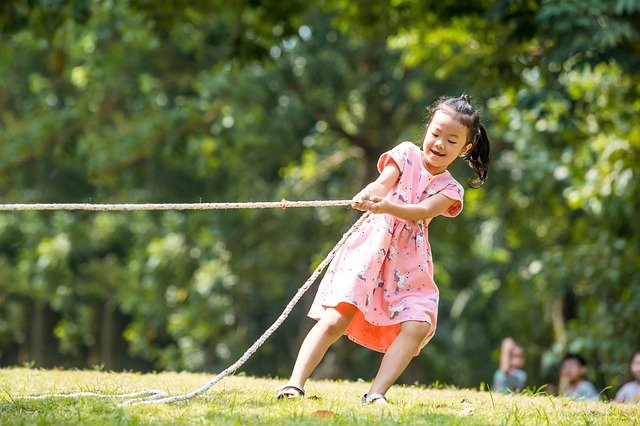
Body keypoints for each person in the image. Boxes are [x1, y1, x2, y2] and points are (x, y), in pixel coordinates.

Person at [275, 94, 491, 404]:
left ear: (465, 149)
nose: (440, 143)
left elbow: (420, 211)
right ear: (427, 128)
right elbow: (382, 183)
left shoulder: (450, 189)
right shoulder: (404, 154)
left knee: (418, 324)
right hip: (370, 250)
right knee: (336, 317)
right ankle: (294, 385)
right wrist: (370, 194)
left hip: (408, 266)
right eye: (436, 134)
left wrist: (388, 205)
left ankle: (376, 394)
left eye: (451, 140)